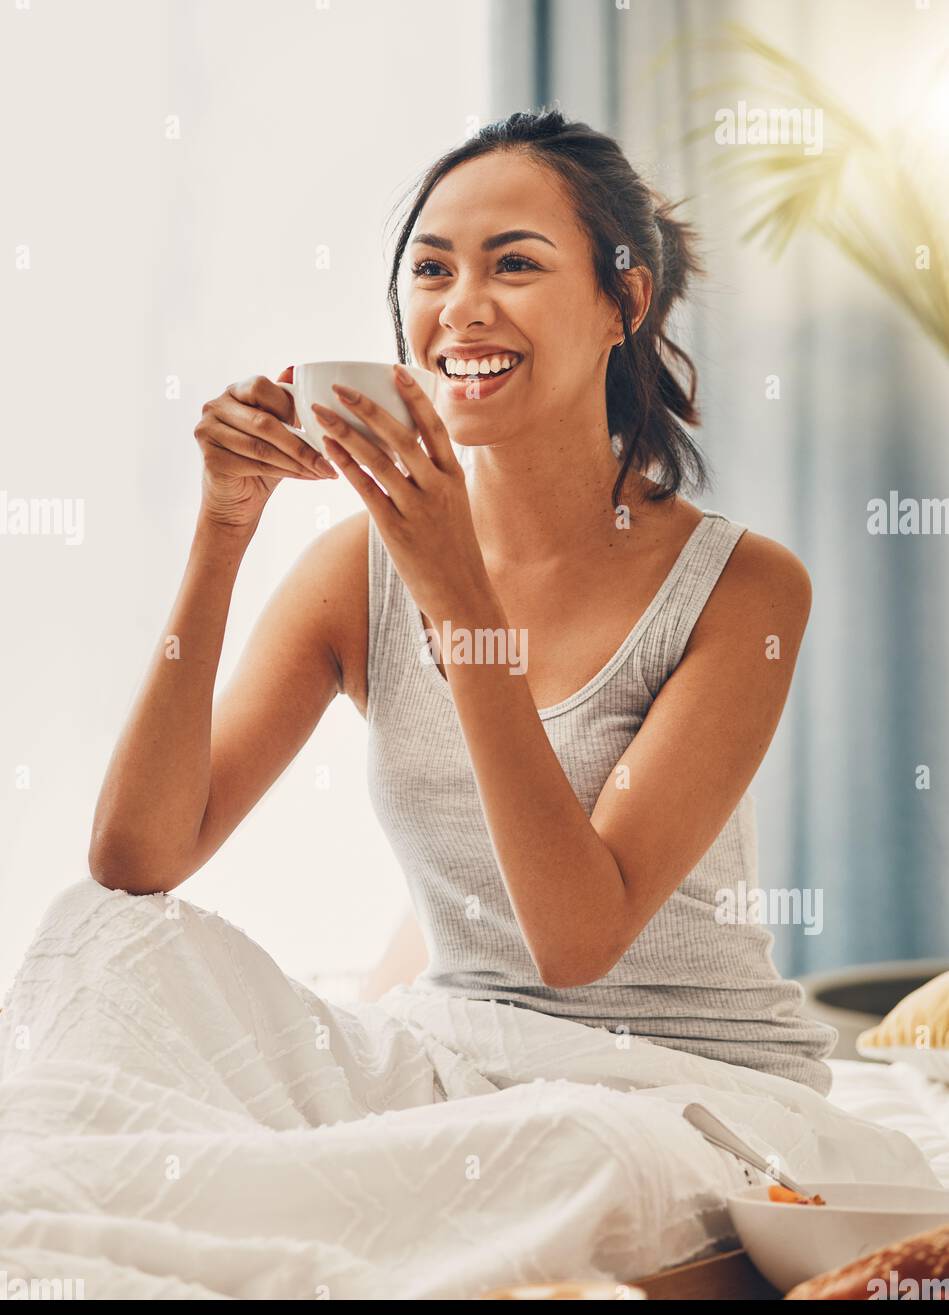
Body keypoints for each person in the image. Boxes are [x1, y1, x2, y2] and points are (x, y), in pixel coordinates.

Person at [45, 110, 839, 1100]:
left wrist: (458, 593)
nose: (461, 309)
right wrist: (222, 528)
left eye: (513, 265)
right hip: (465, 1060)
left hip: (683, 1083)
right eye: (431, 270)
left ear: (622, 300)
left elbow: (575, 940)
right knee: (100, 939)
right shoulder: (357, 572)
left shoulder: (743, 588)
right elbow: (136, 858)